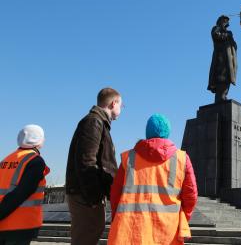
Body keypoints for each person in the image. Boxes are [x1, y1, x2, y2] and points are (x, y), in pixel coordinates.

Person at [108, 114, 198, 245]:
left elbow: (115, 194)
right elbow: (191, 196)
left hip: (131, 231)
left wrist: (117, 217)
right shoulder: (182, 159)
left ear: (147, 132)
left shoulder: (128, 158)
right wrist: (183, 217)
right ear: (167, 133)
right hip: (167, 232)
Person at [65, 87, 122, 245]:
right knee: (86, 236)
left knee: (90, 232)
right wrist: (94, 197)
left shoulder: (98, 122)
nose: (121, 109)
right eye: (121, 105)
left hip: (86, 194)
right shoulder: (94, 121)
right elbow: (86, 161)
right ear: (113, 103)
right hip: (85, 195)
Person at [0, 125, 50, 245]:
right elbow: (22, 193)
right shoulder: (35, 161)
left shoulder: (6, 159)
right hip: (18, 225)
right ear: (39, 140)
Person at [207, 15, 238, 103]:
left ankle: (223, 95)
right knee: (221, 77)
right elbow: (216, 35)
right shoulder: (216, 28)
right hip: (221, 58)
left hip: (229, 60)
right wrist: (227, 35)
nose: (226, 22)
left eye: (227, 21)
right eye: (224, 20)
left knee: (228, 77)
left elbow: (234, 45)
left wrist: (230, 38)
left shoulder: (229, 33)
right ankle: (220, 97)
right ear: (220, 21)